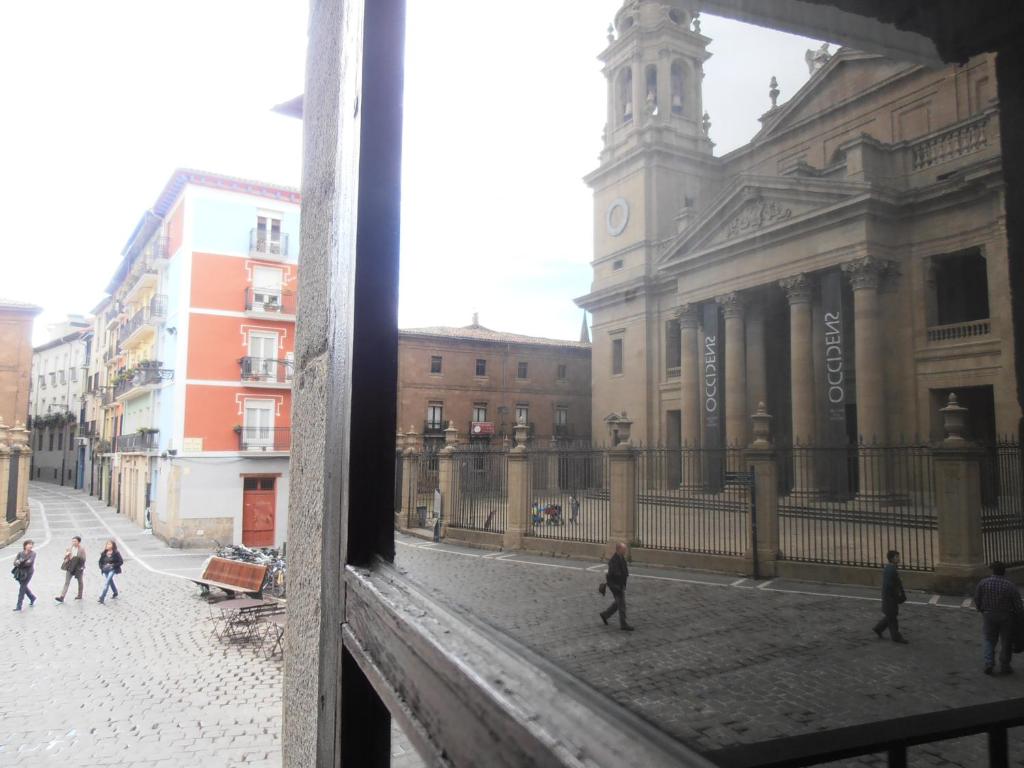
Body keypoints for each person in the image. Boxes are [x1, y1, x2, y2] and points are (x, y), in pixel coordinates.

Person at [974, 560, 1023, 675]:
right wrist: (1018, 616)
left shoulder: (983, 583)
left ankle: (989, 663)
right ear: (1004, 572)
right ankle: (1005, 665)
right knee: (1006, 641)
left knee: (989, 640)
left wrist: (981, 609)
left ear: (992, 570)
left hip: (989, 614)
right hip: (1006, 615)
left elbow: (977, 598)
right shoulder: (1010, 585)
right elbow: (1018, 604)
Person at [872, 549, 908, 643]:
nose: (899, 558)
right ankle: (896, 637)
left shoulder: (890, 568)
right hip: (890, 598)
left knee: (890, 616)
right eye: (897, 557)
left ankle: (878, 628)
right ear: (892, 559)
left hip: (889, 597)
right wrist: (897, 594)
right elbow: (890, 585)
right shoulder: (891, 569)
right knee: (892, 618)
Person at [599, 541, 634, 631]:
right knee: (622, 605)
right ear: (619, 549)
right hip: (616, 586)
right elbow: (614, 574)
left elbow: (624, 571)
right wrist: (619, 583)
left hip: (620, 585)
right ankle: (623, 624)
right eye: (624, 550)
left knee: (617, 604)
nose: (625, 551)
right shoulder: (613, 561)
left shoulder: (621, 558)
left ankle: (605, 615)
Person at [55, 536, 87, 603]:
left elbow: (83, 559)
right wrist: (66, 556)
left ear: (78, 542)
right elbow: (65, 558)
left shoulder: (82, 549)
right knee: (67, 582)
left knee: (80, 581)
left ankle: (80, 595)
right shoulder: (69, 548)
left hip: (78, 567)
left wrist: (75, 558)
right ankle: (62, 597)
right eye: (72, 541)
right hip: (70, 567)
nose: (73, 542)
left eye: (75, 541)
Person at [12, 539, 36, 611]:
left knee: (22, 588)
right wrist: (18, 562)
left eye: (31, 544)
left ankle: (19, 606)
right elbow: (15, 562)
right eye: (29, 544)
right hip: (20, 572)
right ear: (25, 545)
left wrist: (20, 562)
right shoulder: (20, 553)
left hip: (28, 573)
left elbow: (29, 563)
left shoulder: (33, 554)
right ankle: (32, 597)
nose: (30, 546)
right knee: (24, 586)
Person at [97, 540, 124, 604]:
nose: (108, 546)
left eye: (109, 544)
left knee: (107, 582)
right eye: (107, 544)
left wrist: (113, 565)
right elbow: (100, 562)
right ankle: (115, 592)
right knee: (110, 581)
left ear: (113, 546)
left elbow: (121, 561)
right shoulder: (104, 553)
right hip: (105, 570)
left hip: (112, 569)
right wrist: (102, 567)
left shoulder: (116, 553)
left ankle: (102, 597)